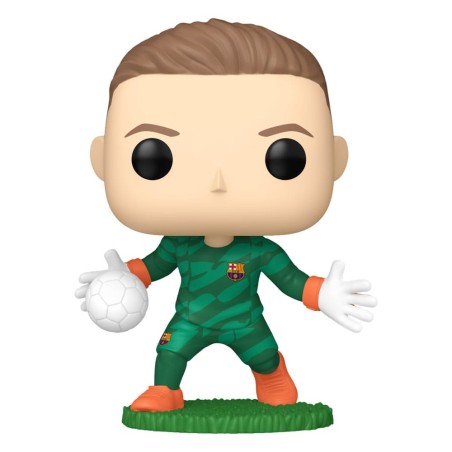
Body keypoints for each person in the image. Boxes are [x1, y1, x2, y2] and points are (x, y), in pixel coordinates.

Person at [76, 19, 377, 413]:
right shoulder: (178, 245)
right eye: (154, 158)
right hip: (190, 320)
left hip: (245, 322)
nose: (217, 183)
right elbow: (153, 267)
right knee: (169, 354)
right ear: (104, 160)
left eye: (284, 158)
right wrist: (122, 277)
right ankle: (165, 391)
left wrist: (323, 295)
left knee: (263, 355)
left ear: (334, 160)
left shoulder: (260, 251)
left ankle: (272, 374)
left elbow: (292, 280)